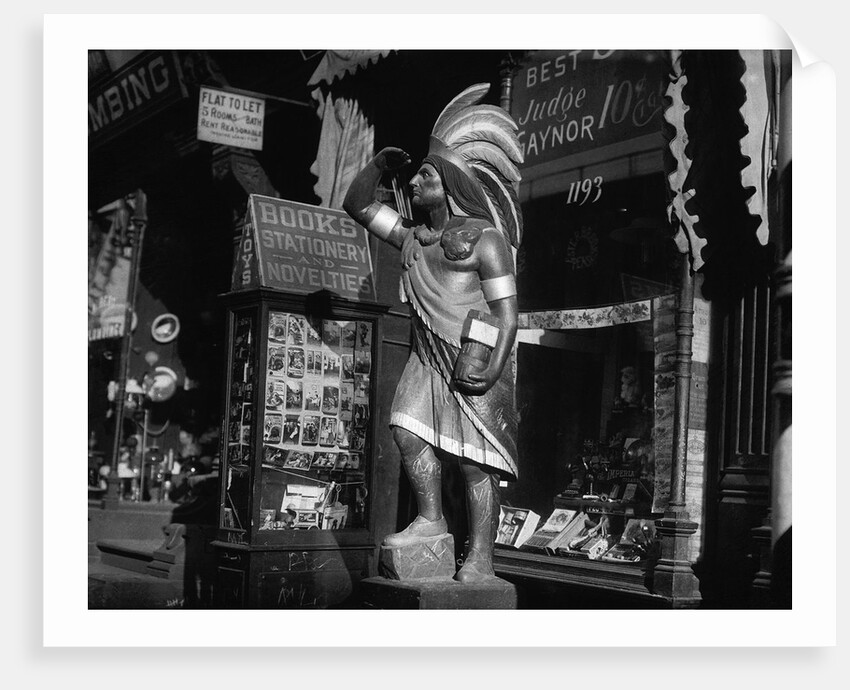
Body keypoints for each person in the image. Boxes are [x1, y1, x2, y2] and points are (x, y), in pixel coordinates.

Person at [343, 83, 524, 584]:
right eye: (418, 172)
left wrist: (491, 371)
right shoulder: (412, 237)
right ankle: (431, 522)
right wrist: (379, 165)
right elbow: (357, 204)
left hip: (471, 355)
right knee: (406, 431)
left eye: (427, 173)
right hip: (427, 358)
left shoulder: (485, 240)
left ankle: (481, 556)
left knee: (473, 463)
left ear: (449, 184)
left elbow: (508, 313)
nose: (417, 180)